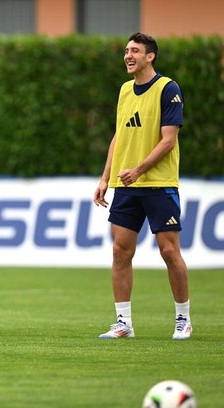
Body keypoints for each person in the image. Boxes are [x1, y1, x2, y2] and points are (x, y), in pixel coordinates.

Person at [93, 32, 191, 340]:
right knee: (120, 252)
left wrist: (139, 169)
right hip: (126, 186)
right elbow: (119, 136)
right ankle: (124, 323)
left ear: (150, 56)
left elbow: (169, 140)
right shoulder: (124, 90)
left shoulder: (167, 88)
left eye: (135, 50)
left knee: (169, 251)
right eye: (125, 51)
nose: (128, 55)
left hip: (158, 183)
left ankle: (183, 319)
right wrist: (105, 177)